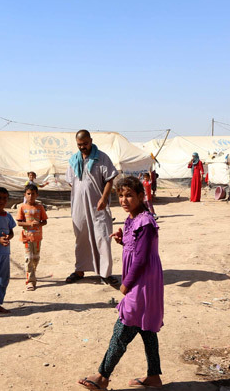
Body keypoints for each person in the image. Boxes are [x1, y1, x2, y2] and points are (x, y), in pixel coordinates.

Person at [77, 176, 164, 390]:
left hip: (142, 283)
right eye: (121, 196)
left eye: (129, 195)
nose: (124, 200)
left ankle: (102, 376)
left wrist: (126, 283)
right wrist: (123, 239)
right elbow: (134, 246)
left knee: (123, 328)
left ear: (141, 196)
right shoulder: (133, 218)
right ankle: (154, 376)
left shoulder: (145, 222)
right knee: (146, 329)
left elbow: (142, 258)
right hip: (144, 282)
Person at [65, 129, 119, 286]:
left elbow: (110, 179)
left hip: (98, 206)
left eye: (85, 144)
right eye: (79, 145)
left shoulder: (101, 158)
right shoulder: (73, 160)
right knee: (81, 238)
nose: (82, 147)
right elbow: (71, 181)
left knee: (103, 237)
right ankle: (80, 270)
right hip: (79, 207)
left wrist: (103, 197)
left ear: (91, 141)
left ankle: (106, 273)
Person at [16, 183, 48, 291]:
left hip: (38, 238)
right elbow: (19, 223)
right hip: (26, 237)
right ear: (25, 195)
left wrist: (38, 224)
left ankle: (32, 273)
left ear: (37, 195)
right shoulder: (22, 207)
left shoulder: (40, 207)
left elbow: (44, 221)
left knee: (36, 259)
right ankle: (30, 281)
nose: (31, 196)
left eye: (33, 194)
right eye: (28, 194)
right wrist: (29, 224)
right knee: (28, 258)